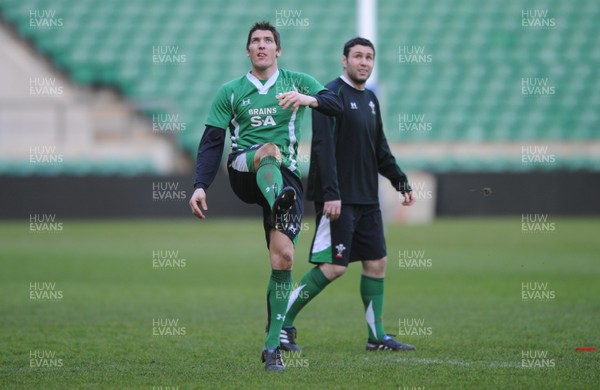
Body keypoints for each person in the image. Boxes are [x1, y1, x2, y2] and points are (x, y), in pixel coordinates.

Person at [188, 21, 342, 371]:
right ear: (247, 50)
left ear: (278, 50)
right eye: (255, 41)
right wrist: (200, 185)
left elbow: (338, 104)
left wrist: (309, 100)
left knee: (284, 258)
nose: (261, 46)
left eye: (268, 41)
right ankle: (278, 202)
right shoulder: (230, 91)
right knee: (267, 150)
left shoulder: (296, 82)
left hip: (285, 177)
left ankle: (272, 347)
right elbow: (212, 142)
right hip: (245, 168)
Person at [280, 37, 417, 353]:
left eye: (369, 57)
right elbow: (322, 148)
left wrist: (401, 182)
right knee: (334, 267)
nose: (364, 62)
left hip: (368, 197)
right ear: (344, 60)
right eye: (358, 56)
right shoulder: (329, 95)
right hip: (338, 198)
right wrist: (331, 193)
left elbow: (379, 148)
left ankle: (376, 336)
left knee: (377, 262)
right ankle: (282, 323)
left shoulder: (370, 99)